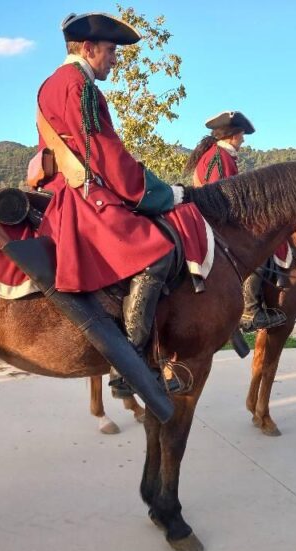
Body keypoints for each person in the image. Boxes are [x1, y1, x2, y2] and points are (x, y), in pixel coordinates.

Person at [30, 12, 202, 400]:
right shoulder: (79, 86)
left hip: (73, 193)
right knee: (157, 253)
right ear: (88, 48)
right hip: (85, 200)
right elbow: (107, 156)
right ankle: (129, 364)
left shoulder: (52, 85)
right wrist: (161, 193)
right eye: (110, 50)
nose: (114, 59)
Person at [185, 111, 286, 332]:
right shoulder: (218, 158)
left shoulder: (220, 155)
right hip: (215, 224)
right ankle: (250, 310)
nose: (243, 139)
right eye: (241, 134)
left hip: (213, 221)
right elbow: (219, 197)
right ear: (232, 135)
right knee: (259, 247)